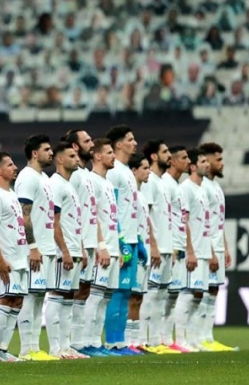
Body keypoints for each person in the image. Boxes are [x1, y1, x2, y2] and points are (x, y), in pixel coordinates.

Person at [14, 134, 58, 361]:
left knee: (39, 297)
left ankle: (35, 348)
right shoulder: (28, 177)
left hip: (46, 247)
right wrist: (32, 246)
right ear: (34, 153)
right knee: (30, 297)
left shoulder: (44, 178)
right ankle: (26, 349)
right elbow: (24, 214)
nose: (51, 153)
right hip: (35, 248)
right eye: (47, 149)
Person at [102, 125, 141, 355]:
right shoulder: (115, 170)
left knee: (126, 293)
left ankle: (120, 341)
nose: (134, 143)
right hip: (122, 240)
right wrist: (120, 239)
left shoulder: (125, 170)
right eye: (130, 139)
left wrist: (139, 242)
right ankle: (111, 342)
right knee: (116, 291)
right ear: (118, 145)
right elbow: (112, 209)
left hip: (132, 240)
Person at [47, 142, 87, 359]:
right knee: (57, 294)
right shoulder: (56, 185)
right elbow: (54, 222)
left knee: (69, 297)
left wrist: (80, 248)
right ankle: (55, 349)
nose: (77, 159)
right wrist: (64, 250)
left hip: (73, 248)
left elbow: (74, 221)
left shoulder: (69, 184)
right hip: (62, 250)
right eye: (72, 155)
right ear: (60, 159)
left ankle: (66, 346)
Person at [140, 140, 180, 354]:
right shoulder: (150, 182)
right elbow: (145, 215)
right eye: (165, 152)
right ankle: (144, 340)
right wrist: (153, 246)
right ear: (154, 156)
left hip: (165, 248)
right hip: (154, 248)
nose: (169, 156)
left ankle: (157, 341)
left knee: (161, 296)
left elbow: (167, 219)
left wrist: (170, 246)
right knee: (150, 295)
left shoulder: (164, 182)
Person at [0, 151, 26, 363]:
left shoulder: (11, 194)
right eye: (10, 164)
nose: (15, 167)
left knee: (17, 301)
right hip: (6, 257)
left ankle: (3, 349)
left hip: (20, 256)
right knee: (4, 299)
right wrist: (0, 259)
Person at [62, 130, 99, 354]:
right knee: (71, 292)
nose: (91, 144)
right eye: (87, 141)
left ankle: (79, 341)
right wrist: (80, 244)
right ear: (75, 147)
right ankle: (71, 343)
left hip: (89, 241)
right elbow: (71, 214)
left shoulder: (84, 173)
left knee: (83, 291)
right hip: (77, 242)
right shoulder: (73, 176)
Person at [79, 139, 117, 357]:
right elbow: (93, 217)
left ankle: (96, 341)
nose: (113, 156)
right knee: (94, 295)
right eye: (109, 152)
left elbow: (111, 218)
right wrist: (102, 245)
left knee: (105, 297)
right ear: (98, 156)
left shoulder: (108, 183)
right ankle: (87, 341)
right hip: (100, 247)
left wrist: (116, 248)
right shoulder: (92, 181)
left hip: (111, 247)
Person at [198, 142, 236, 352]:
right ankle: (197, 337)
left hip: (217, 247)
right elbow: (202, 222)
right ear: (206, 160)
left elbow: (218, 221)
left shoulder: (216, 186)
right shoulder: (201, 187)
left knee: (213, 291)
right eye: (218, 160)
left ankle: (208, 336)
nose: (221, 164)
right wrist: (211, 249)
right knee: (200, 292)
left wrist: (225, 247)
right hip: (206, 247)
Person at [173, 149, 213, 352]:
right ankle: (180, 339)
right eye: (203, 161)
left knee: (198, 295)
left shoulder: (202, 189)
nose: (208, 164)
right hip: (194, 250)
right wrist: (190, 251)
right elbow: (184, 221)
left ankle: (192, 337)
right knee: (187, 293)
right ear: (193, 167)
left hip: (204, 249)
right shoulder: (186, 189)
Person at [161, 146, 191, 352]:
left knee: (172, 296)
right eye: (184, 157)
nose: (188, 161)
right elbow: (164, 219)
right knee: (160, 295)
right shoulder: (165, 184)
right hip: (169, 247)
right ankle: (155, 338)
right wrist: (169, 246)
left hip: (179, 246)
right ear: (172, 161)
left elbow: (182, 220)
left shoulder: (177, 186)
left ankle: (167, 338)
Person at [127, 153, 153, 352]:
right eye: (144, 168)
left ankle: (136, 341)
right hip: (134, 248)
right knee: (131, 296)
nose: (148, 171)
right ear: (134, 170)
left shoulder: (143, 194)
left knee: (139, 297)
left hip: (143, 248)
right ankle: (128, 341)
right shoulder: (131, 194)